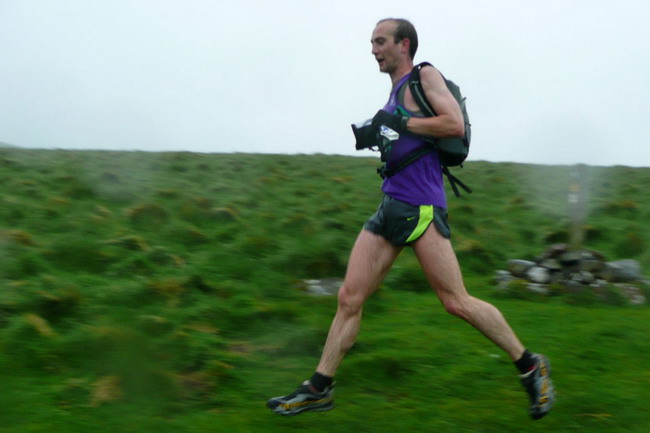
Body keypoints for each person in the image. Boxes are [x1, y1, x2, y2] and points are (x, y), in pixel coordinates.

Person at [267, 18, 555, 420]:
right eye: (371, 42)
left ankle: (530, 365)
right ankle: (318, 388)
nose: (373, 49)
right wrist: (377, 134)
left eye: (380, 41)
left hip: (421, 207)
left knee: (455, 301)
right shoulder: (394, 92)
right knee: (349, 297)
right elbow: (403, 134)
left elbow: (451, 123)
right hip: (391, 204)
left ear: (404, 44)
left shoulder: (425, 75)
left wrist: (399, 123)